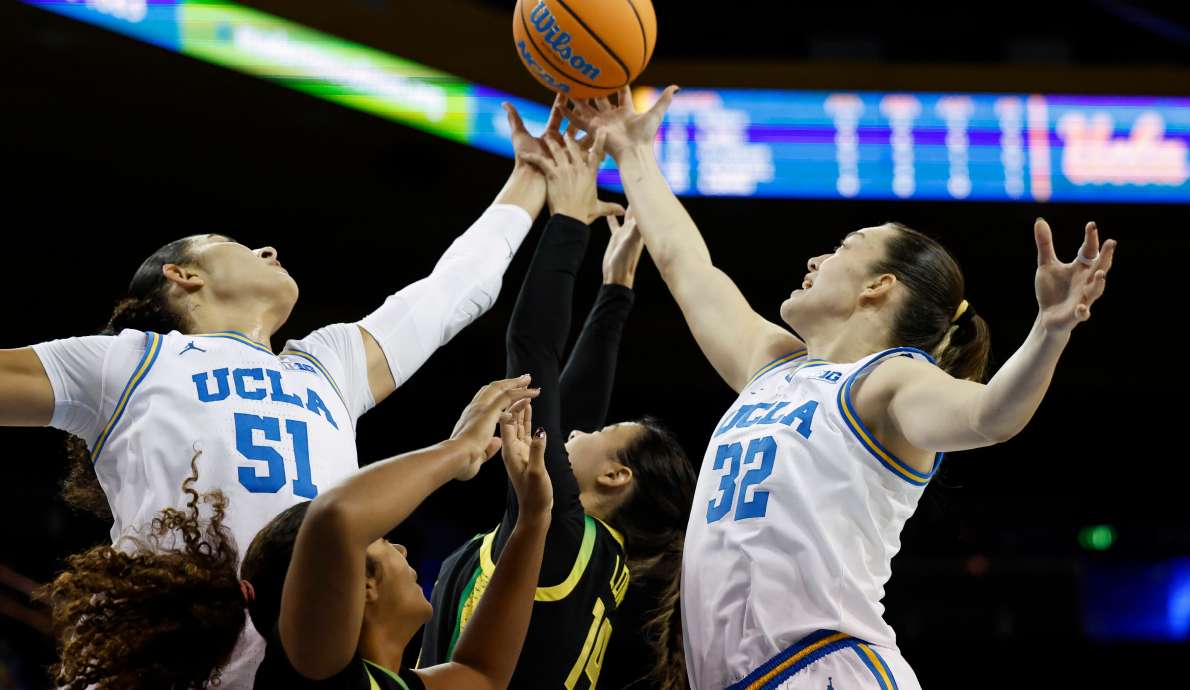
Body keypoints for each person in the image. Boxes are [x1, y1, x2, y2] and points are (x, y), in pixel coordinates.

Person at [564, 87, 1117, 689]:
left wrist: (1051, 329)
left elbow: (989, 415)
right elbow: (683, 262)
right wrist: (631, 150)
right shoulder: (770, 364)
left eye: (842, 248)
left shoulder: (889, 382)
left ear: (878, 286)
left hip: (826, 669)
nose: (814, 259)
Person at [0, 102, 559, 689]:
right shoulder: (131, 360)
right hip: (164, 663)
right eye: (233, 243)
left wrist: (530, 172)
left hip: (305, 661)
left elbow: (455, 292)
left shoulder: (327, 367)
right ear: (182, 275)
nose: (267, 249)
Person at [44, 376, 550, 690]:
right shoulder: (312, 675)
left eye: (381, 540)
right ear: (356, 584)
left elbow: (483, 672)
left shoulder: (372, 681)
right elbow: (335, 518)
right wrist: (458, 451)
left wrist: (533, 519)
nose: (399, 544)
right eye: (381, 541)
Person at [420, 114, 695, 690]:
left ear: (618, 475)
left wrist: (567, 219)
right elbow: (575, 408)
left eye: (603, 431)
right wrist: (615, 288)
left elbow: (532, 350)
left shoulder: (560, 531)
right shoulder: (590, 551)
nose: (575, 431)